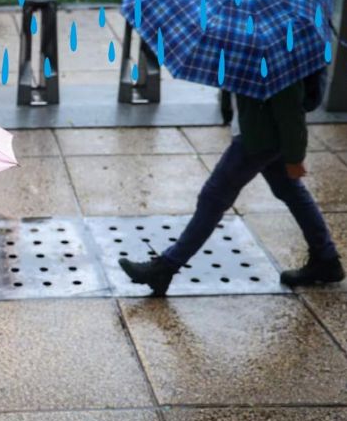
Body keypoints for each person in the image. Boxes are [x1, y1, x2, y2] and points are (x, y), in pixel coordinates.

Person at [120, 78, 344, 296]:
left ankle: (164, 268)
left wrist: (295, 157)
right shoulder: (267, 44)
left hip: (259, 138)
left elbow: (289, 107)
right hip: (263, 130)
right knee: (290, 190)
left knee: (213, 197)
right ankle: (326, 258)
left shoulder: (277, 48)